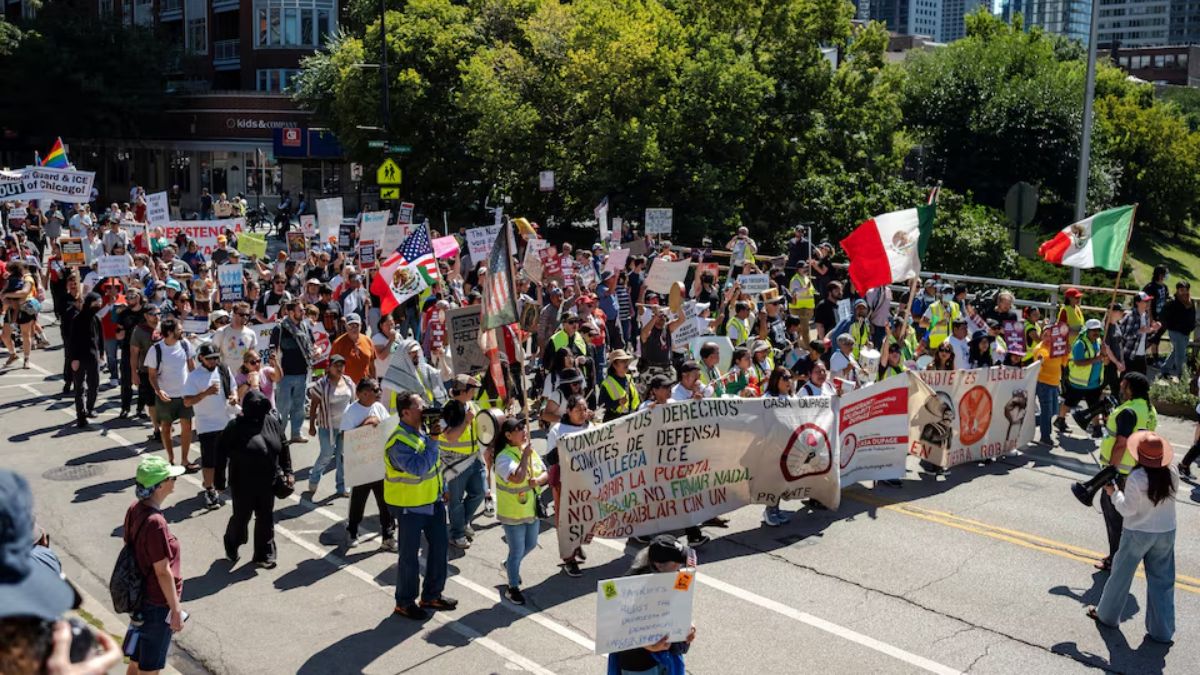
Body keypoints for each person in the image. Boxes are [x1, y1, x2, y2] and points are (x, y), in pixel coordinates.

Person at [1088, 431, 1177, 645]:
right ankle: (1162, 631)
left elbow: (1127, 510)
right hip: (1166, 532)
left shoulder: (1137, 477)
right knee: (1162, 582)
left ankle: (1107, 616)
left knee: (1121, 575)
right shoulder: (1172, 472)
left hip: (1138, 532)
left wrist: (1114, 493)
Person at [385, 390, 457, 620]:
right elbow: (418, 467)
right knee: (409, 555)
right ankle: (405, 602)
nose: (425, 409)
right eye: (419, 406)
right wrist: (434, 440)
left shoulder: (422, 432)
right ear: (405, 412)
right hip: (409, 506)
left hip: (432, 501)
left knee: (439, 548)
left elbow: (436, 465)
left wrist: (443, 487)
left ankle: (431, 595)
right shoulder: (398, 442)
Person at [124, 456, 188, 675]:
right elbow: (162, 571)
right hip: (157, 605)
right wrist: (175, 609)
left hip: (141, 601)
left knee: (136, 662)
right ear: (159, 485)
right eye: (171, 478)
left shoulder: (135, 508)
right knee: (149, 670)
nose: (174, 481)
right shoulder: (156, 523)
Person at [221, 390, 293, 569]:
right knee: (241, 518)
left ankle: (264, 554)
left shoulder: (271, 422)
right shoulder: (234, 427)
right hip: (242, 483)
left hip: (268, 481)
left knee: (265, 517)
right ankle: (232, 542)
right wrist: (218, 482)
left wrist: (288, 471)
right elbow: (220, 453)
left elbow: (283, 446)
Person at [1093, 371, 1157, 572]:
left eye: (1123, 385)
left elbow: (1121, 444)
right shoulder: (1149, 409)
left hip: (1121, 473)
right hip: (1138, 470)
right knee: (1130, 517)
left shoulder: (1128, 411)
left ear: (1129, 387)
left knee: (1114, 517)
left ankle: (1115, 559)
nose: (1120, 387)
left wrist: (1110, 472)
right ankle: (1123, 556)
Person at [611, 535, 697, 675]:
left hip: (668, 658)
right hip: (639, 665)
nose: (681, 567)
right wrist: (647, 645)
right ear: (659, 565)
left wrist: (688, 626)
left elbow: (679, 608)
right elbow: (614, 626)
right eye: (677, 563)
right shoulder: (629, 587)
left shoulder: (675, 578)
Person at [491, 416, 549, 605]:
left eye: (524, 427)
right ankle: (513, 587)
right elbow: (517, 477)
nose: (524, 431)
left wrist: (538, 481)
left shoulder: (528, 450)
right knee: (516, 550)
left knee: (531, 544)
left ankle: (509, 566)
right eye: (518, 429)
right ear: (508, 435)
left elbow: (545, 472)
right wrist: (525, 456)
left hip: (531, 510)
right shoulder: (503, 457)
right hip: (513, 513)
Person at [340, 378, 396, 551]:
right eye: (375, 390)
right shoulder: (351, 411)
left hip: (379, 462)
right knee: (358, 501)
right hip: (361, 465)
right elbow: (345, 437)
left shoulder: (378, 407)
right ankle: (352, 531)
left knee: (385, 502)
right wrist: (366, 424)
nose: (379, 393)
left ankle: (388, 535)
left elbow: (387, 427)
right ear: (364, 393)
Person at [183, 343, 238, 510]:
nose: (214, 361)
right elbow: (187, 401)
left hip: (228, 421)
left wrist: (234, 396)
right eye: (210, 359)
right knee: (209, 461)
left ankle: (223, 483)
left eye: (216, 358)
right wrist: (205, 393)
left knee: (230, 457)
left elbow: (233, 388)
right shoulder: (194, 377)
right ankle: (209, 490)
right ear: (201, 358)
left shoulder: (223, 369)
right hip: (207, 425)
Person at [546, 393, 594, 577]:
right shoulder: (558, 430)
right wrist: (565, 446)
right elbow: (550, 458)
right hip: (564, 483)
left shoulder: (590, 427)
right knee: (566, 520)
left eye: (585, 409)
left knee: (583, 515)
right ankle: (569, 558)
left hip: (586, 480)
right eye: (578, 410)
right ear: (568, 411)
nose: (583, 413)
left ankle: (577, 544)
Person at [145, 318, 196, 469]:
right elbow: (152, 375)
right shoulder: (156, 350)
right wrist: (158, 391)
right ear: (169, 332)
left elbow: (191, 367)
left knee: (187, 427)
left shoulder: (186, 344)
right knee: (166, 428)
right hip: (165, 397)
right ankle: (171, 460)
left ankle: (185, 460)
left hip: (185, 395)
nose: (182, 331)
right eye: (179, 329)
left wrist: (196, 388)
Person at [305, 354, 355, 499]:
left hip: (345, 427)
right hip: (327, 427)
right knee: (327, 454)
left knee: (342, 456)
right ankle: (314, 478)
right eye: (336, 365)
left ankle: (342, 486)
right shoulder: (321, 384)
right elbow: (314, 405)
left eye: (342, 365)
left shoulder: (349, 382)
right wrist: (312, 425)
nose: (340, 368)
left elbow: (353, 402)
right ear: (329, 367)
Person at [269, 299, 315, 443]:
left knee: (299, 406)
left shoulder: (305, 327)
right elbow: (273, 350)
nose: (303, 313)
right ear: (290, 312)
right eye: (300, 310)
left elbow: (312, 345)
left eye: (303, 310)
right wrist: (276, 367)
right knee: (283, 407)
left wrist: (317, 351)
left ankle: (296, 433)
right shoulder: (280, 328)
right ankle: (280, 436)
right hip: (285, 375)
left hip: (302, 373)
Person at [1056, 319, 1105, 436]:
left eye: (1098, 330)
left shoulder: (1098, 342)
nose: (1096, 332)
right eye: (1093, 330)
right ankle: (1060, 420)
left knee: (1094, 407)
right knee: (1069, 403)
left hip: (1093, 382)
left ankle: (1097, 428)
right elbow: (1078, 362)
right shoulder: (1080, 344)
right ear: (1087, 331)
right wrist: (1096, 359)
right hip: (1079, 382)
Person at [762, 366, 795, 527]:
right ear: (776, 380)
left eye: (790, 378)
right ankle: (769, 510)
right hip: (772, 448)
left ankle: (776, 508)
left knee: (782, 481)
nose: (789, 382)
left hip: (787, 447)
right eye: (785, 378)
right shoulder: (768, 398)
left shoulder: (791, 397)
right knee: (773, 481)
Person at [67, 292, 103, 428]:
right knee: (79, 388)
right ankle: (80, 415)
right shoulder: (77, 319)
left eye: (99, 304)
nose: (98, 306)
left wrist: (102, 353)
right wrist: (74, 359)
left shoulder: (96, 318)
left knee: (94, 385)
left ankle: (90, 408)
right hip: (79, 358)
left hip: (93, 357)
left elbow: (100, 338)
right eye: (95, 303)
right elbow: (72, 341)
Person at [1031, 326, 1068, 446]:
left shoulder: (1057, 347)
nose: (1047, 337)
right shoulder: (1039, 349)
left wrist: (1067, 351)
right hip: (1043, 383)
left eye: (1050, 335)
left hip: (1055, 383)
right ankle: (1045, 437)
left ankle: (1033, 421)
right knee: (1047, 411)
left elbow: (1064, 362)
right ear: (1041, 335)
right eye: (1045, 335)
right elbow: (1038, 366)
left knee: (1053, 411)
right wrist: (1041, 360)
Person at [1159, 281, 1194, 380]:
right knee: (1180, 355)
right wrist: (1169, 325)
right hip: (1175, 331)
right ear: (1178, 290)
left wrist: (1192, 326)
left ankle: (1165, 370)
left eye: (1185, 290)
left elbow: (1192, 315)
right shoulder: (1172, 302)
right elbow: (1162, 315)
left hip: (1186, 331)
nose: (1183, 292)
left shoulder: (1190, 302)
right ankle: (1181, 376)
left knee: (1176, 352)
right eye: (1181, 290)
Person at [599, 349, 640, 420]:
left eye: (626, 361)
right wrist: (618, 403)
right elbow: (602, 404)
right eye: (622, 361)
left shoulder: (629, 378)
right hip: (616, 420)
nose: (626, 363)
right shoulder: (607, 383)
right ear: (614, 365)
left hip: (632, 417)